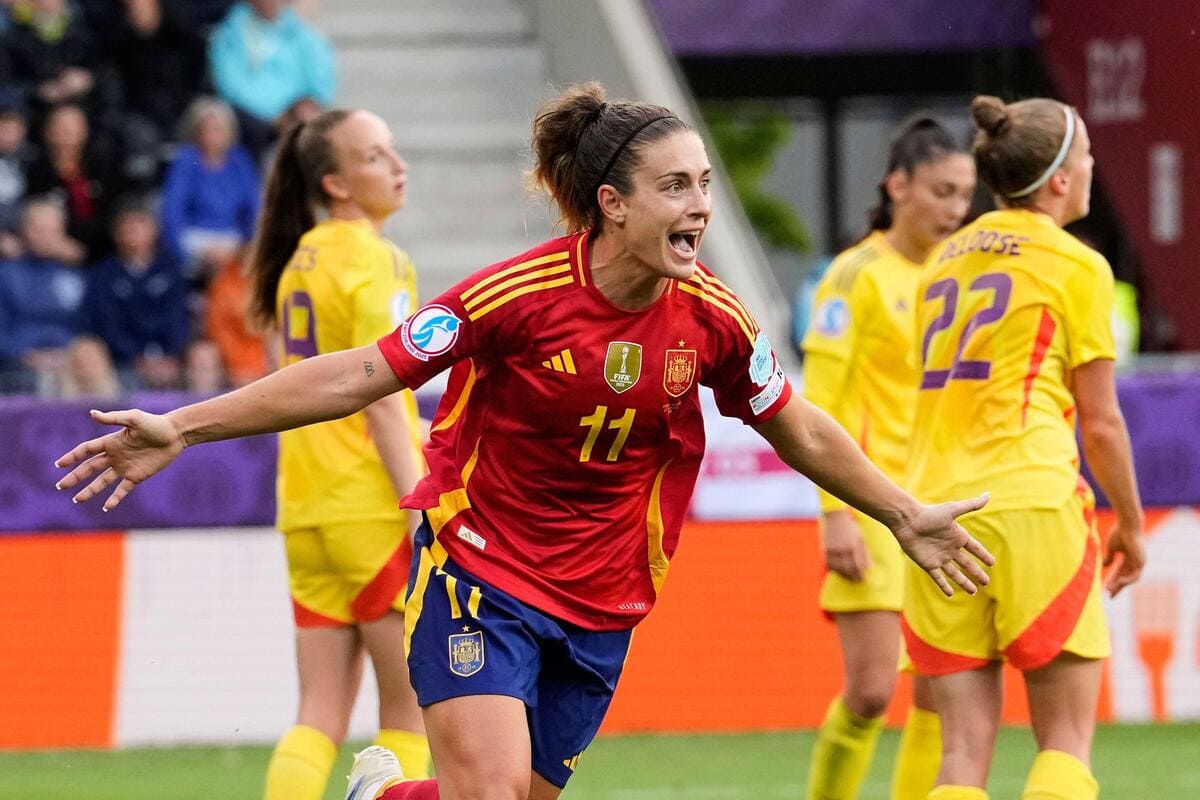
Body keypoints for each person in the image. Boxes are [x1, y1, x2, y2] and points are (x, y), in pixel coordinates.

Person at [54, 84, 994, 800]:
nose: (700, 206)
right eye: (675, 186)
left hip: (606, 597)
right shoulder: (514, 295)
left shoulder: (714, 318)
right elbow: (360, 373)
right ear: (612, 203)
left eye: (705, 184)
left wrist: (902, 513)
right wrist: (183, 425)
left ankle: (384, 795)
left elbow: (796, 422)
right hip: (482, 570)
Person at [902, 96, 1145, 800]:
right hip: (1032, 504)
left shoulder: (941, 262)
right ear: (1061, 179)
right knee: (1065, 742)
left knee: (960, 755)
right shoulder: (1077, 265)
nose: (1093, 167)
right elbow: (1101, 423)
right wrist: (1131, 523)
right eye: (1088, 155)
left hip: (937, 515)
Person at [250, 107, 430, 800]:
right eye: (377, 155)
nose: (399, 165)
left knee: (317, 714)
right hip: (369, 505)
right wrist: (417, 505)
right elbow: (380, 394)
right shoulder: (379, 259)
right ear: (337, 183)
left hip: (306, 507)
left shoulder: (299, 259)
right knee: (410, 711)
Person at [801, 117, 976, 800]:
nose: (955, 209)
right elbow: (822, 401)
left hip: (945, 501)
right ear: (897, 186)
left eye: (965, 195)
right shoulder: (854, 275)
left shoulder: (966, 273)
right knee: (872, 691)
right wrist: (835, 513)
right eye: (942, 191)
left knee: (938, 691)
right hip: (872, 505)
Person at [208, 0, 336, 158]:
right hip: (252, 119)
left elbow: (320, 80)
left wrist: (306, 103)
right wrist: (273, 114)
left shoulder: (303, 34)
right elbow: (229, 85)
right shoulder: (230, 34)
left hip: (294, 112)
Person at [84, 199, 190, 390]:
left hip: (169, 361)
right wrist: (135, 357)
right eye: (126, 224)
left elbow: (179, 316)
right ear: (115, 232)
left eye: (140, 223)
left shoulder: (172, 270)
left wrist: (170, 354)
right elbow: (107, 323)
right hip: (121, 363)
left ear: (154, 229)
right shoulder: (103, 274)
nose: (132, 230)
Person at [159, 97, 261, 281]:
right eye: (207, 129)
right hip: (194, 237)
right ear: (196, 131)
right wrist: (185, 251)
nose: (213, 135)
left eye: (218, 129)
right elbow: (173, 210)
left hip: (233, 238)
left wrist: (248, 245)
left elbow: (254, 207)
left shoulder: (239, 160)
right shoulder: (186, 159)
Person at [0, 197, 86, 393]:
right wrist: (23, 355)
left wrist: (72, 355)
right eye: (38, 230)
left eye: (52, 230)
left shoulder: (76, 275)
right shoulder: (5, 274)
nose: (45, 237)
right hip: (16, 367)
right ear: (23, 232)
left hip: (71, 363)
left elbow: (86, 326)